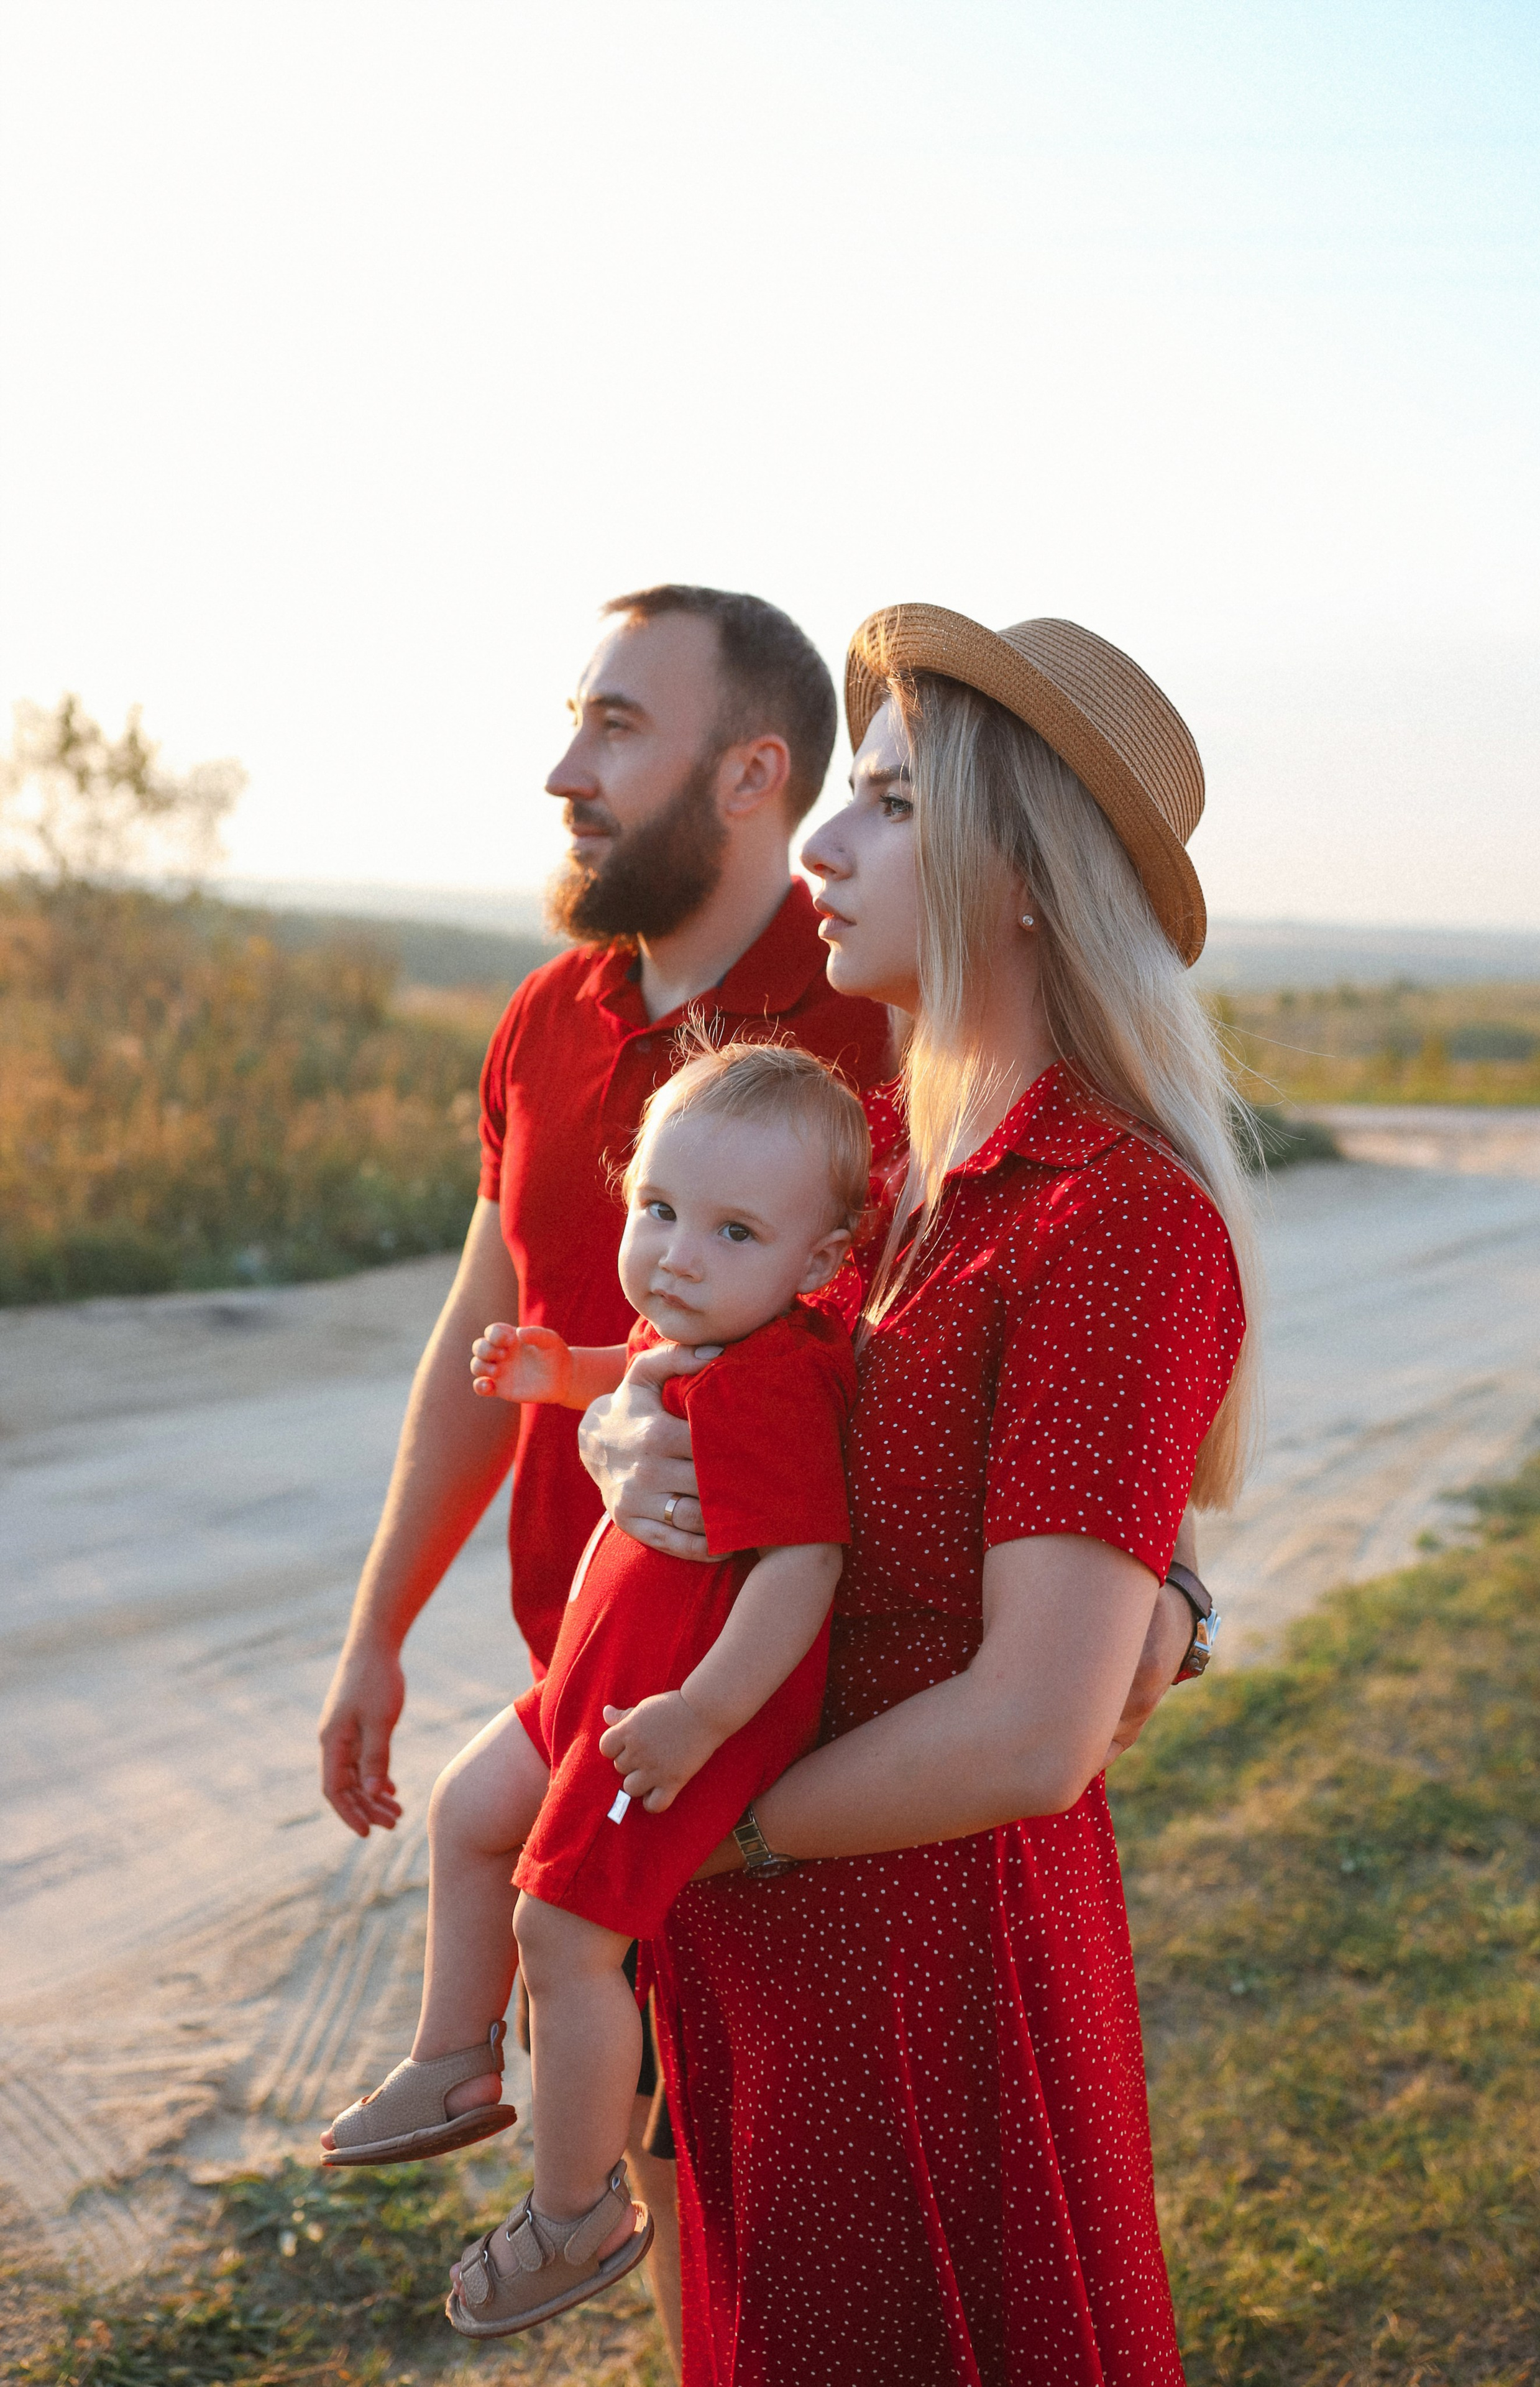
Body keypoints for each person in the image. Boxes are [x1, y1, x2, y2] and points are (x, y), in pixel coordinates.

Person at [574, 604, 1258, 2384]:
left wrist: (724, 1828)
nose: (820, 840)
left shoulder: (1115, 1215)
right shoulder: (882, 1175)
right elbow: (718, 1413)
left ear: (1020, 871)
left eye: (885, 799)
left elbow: (1036, 1730)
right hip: (777, 1964)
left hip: (926, 1979)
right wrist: (627, 1435)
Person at [315, 586, 893, 2360]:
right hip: (591, 1676)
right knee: (645, 2168)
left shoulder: (882, 1012)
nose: (565, 770)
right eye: (578, 719)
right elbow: (485, 1342)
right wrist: (379, 1629)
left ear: (752, 774)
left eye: (618, 728)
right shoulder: (544, 1023)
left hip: (785, 1731)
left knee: (789, 2224)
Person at [319, 1042, 868, 2340]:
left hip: (670, 1717)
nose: (677, 1252)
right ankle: (452, 2064)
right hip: (595, 1688)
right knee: (464, 1811)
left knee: (565, 1939)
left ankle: (574, 2213)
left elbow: (804, 1567)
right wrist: (547, 1371)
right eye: (659, 1210)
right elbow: (619, 1363)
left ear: (817, 1265)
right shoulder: (695, 1327)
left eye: (732, 1231)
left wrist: (705, 1718)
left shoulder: (776, 1382)